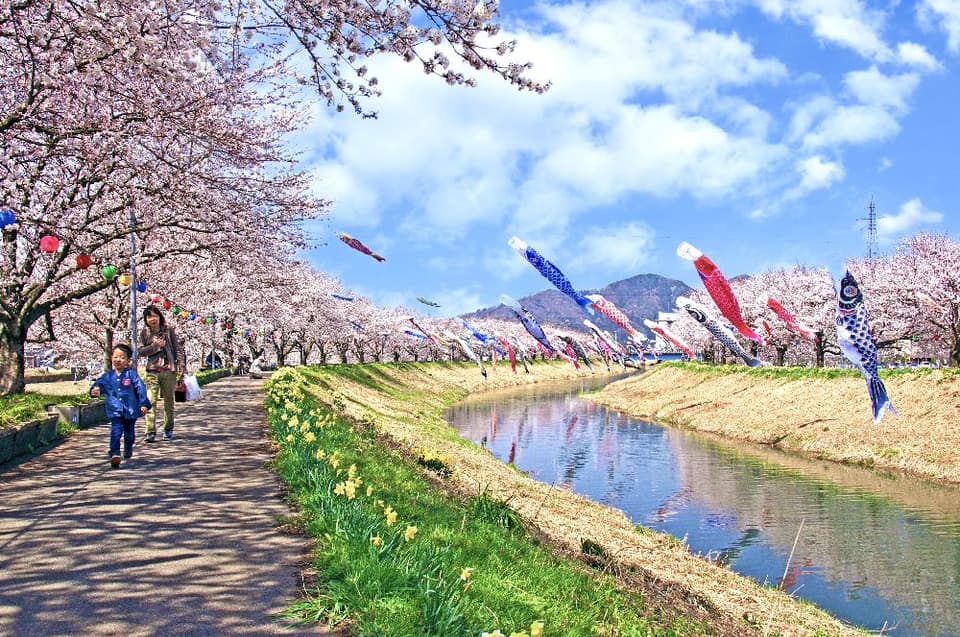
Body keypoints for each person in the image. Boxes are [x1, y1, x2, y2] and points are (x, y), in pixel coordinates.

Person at [90, 344, 151, 468]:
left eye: (122, 357)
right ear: (111, 358)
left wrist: (144, 403)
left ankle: (128, 447)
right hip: (115, 410)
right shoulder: (107, 376)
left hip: (130, 409)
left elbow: (140, 388)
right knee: (116, 431)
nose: (118, 360)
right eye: (116, 357)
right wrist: (94, 390)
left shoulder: (131, 375)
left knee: (129, 434)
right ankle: (115, 453)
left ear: (128, 361)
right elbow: (98, 385)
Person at [139, 305, 186, 442]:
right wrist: (155, 346)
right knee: (150, 401)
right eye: (149, 317)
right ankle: (150, 431)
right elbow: (140, 352)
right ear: (146, 319)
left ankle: (168, 428)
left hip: (168, 370)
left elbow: (177, 349)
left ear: (160, 316)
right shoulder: (144, 333)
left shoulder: (169, 330)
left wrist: (181, 365)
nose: (153, 319)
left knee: (169, 401)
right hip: (152, 370)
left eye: (155, 315)